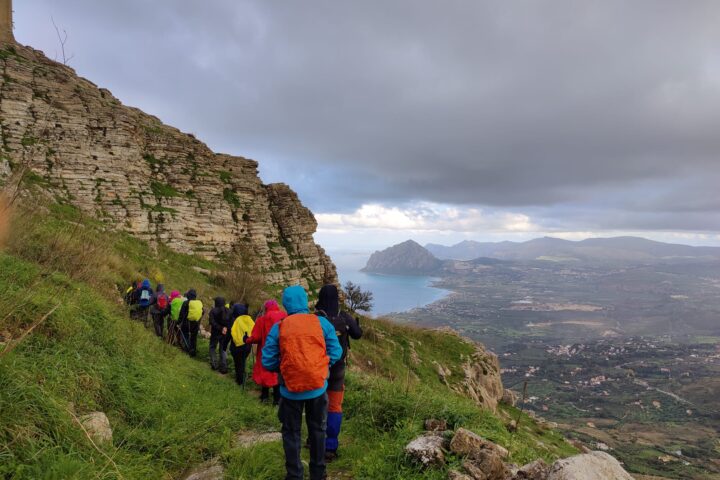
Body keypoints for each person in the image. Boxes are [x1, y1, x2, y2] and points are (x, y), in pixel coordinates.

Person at [262, 285, 342, 480]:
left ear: (286, 304)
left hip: (289, 391)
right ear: (305, 302)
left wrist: (285, 370)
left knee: (291, 433)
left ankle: (294, 474)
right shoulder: (321, 323)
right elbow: (336, 351)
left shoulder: (279, 327)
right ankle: (318, 473)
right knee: (317, 431)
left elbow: (267, 361)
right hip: (317, 388)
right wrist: (321, 366)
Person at [315, 284, 362, 461]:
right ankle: (330, 448)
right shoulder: (344, 317)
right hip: (337, 368)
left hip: (317, 368)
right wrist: (354, 324)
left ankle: (314, 440)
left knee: (316, 405)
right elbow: (358, 334)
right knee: (334, 407)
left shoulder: (315, 318)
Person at [246, 299, 287, 405]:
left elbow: (256, 337)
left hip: (266, 350)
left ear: (266, 308)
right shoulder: (285, 316)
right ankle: (277, 399)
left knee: (265, 372)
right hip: (282, 351)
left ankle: (264, 397)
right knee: (278, 373)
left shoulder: (262, 319)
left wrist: (247, 339)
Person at [229, 303, 254, 386]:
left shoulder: (235, 320)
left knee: (238, 362)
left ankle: (239, 380)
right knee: (242, 362)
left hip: (237, 345)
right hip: (247, 345)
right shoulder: (249, 319)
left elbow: (231, 333)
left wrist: (226, 344)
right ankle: (242, 377)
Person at [178, 289, 203, 356]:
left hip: (186, 323)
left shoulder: (186, 303)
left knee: (185, 335)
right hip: (195, 323)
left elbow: (181, 314)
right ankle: (193, 351)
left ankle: (188, 349)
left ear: (188, 295)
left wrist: (179, 322)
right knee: (194, 338)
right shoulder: (198, 303)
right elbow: (202, 312)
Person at [208, 296, 230, 373]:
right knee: (222, 349)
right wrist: (226, 328)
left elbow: (212, 322)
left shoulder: (213, 311)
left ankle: (214, 364)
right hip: (225, 333)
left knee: (212, 347)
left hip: (215, 332)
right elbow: (230, 321)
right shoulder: (228, 310)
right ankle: (223, 367)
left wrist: (220, 328)